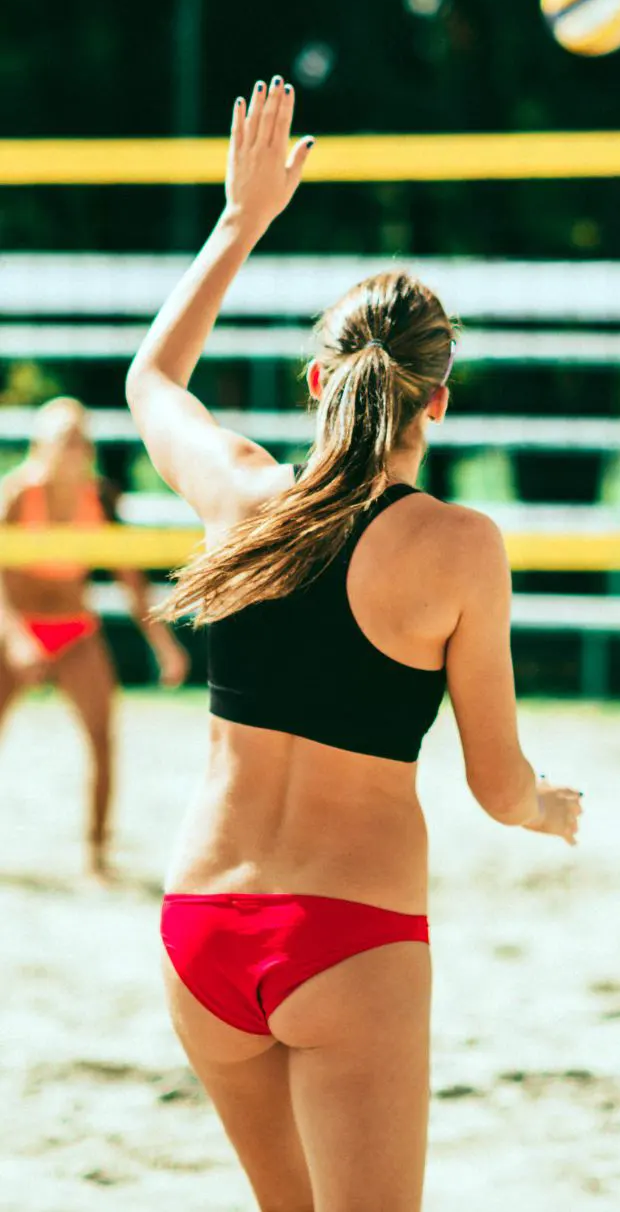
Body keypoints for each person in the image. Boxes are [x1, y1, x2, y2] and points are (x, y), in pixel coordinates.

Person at [125, 75, 583, 1212]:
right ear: (439, 403)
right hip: (346, 938)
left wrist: (241, 221)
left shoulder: (239, 497)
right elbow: (492, 782)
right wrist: (544, 808)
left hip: (200, 927)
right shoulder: (458, 545)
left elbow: (150, 378)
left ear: (321, 382)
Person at [0, 397, 189, 878]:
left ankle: (97, 853)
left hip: (73, 628)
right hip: (15, 628)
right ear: (39, 446)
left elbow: (131, 580)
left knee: (104, 738)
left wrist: (164, 645)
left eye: (82, 439)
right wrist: (17, 640)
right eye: (65, 438)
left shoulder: (99, 497)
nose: (75, 448)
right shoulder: (18, 494)